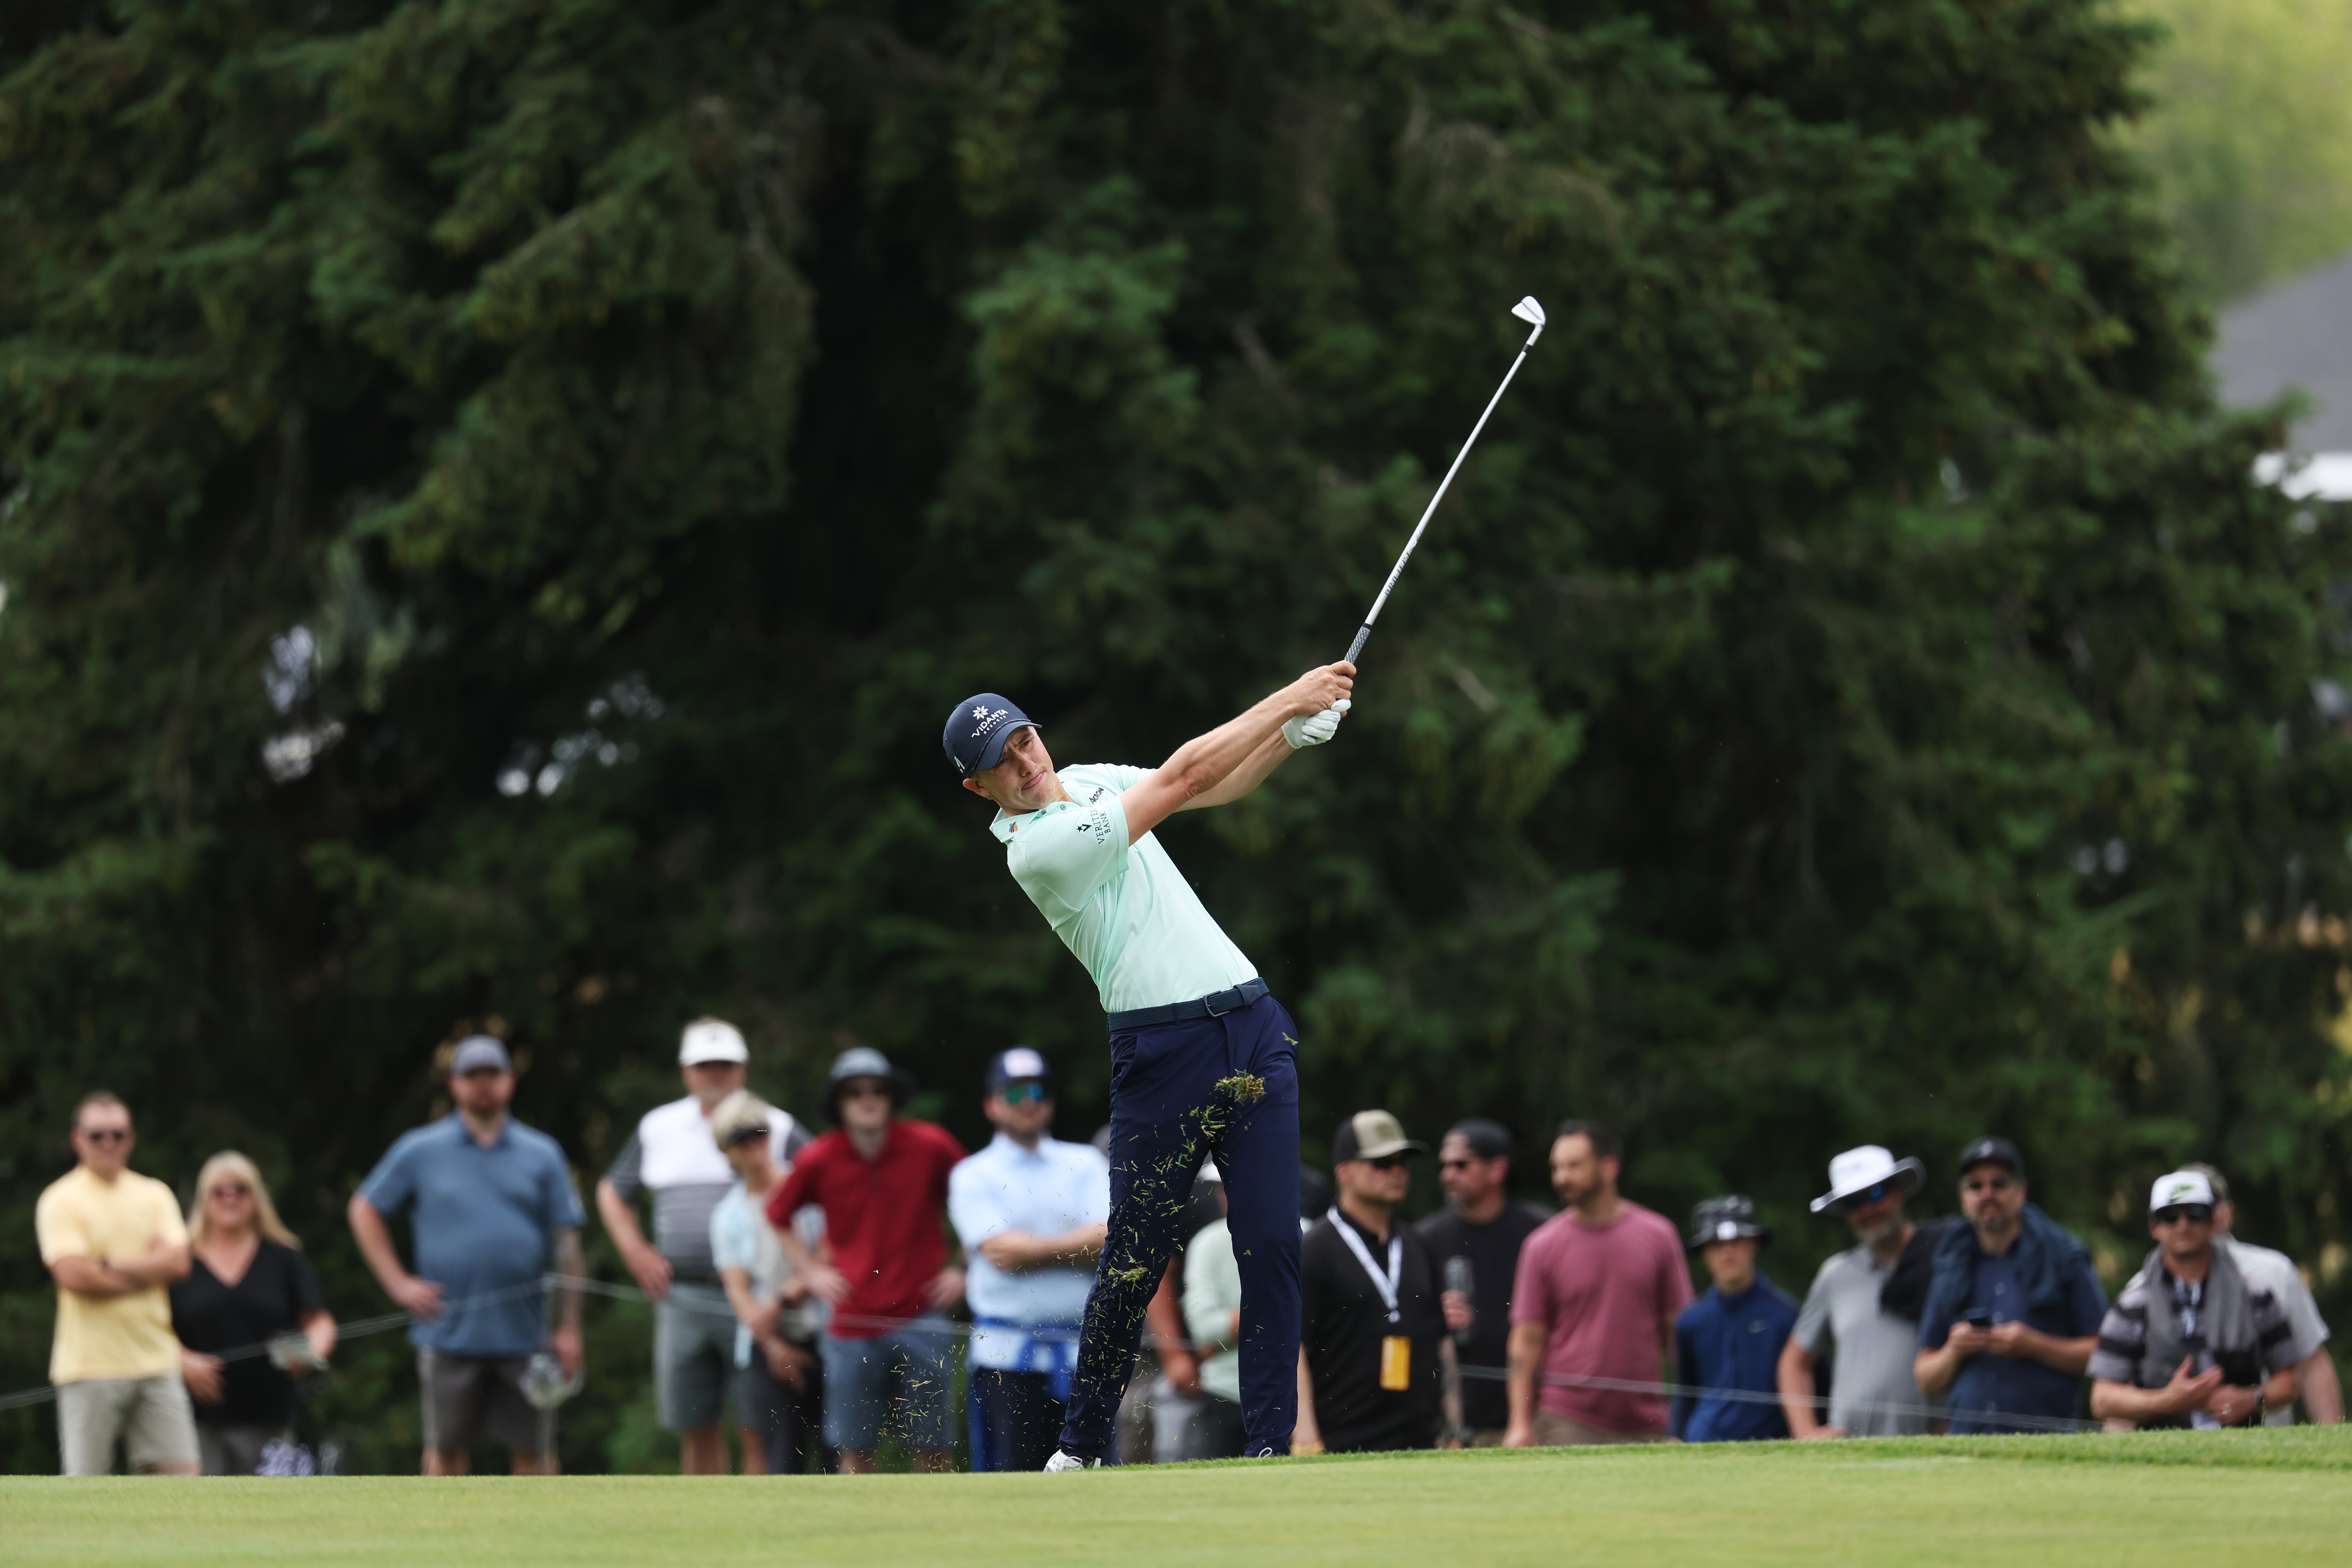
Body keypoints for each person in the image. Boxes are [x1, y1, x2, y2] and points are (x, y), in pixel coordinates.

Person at [943, 667, 1353, 1466]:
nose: (1027, 760)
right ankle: (1082, 1444)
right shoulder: (1039, 850)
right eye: (1004, 758)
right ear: (978, 786)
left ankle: (1273, 1442)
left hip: (1253, 1024)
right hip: (1163, 1049)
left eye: (1024, 737)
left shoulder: (1089, 778)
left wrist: (1284, 742)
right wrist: (1286, 701)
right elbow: (1183, 774)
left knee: (1270, 1242)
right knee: (1135, 1254)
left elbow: (1215, 786)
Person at [349, 1035, 585, 1475]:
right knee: (444, 1452)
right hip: (447, 1332)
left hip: (527, 1333)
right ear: (455, 1085)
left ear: (509, 1082)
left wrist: (569, 1327)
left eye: (492, 1075)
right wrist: (397, 1282)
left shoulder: (542, 1153)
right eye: (472, 1076)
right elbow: (364, 1208)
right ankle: (444, 1543)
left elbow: (568, 1244)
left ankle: (539, 1543)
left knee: (536, 1454)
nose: (483, 1086)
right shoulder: (421, 1149)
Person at [597, 1018, 810, 1475]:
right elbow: (612, 1192)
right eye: (704, 1065)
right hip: (683, 1295)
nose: (714, 1073)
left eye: (725, 1064)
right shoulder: (659, 1126)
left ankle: (757, 1528)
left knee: (759, 1424)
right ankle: (704, 1535)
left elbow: (822, 1188)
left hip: (760, 1297)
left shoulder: (776, 1125)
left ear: (743, 1069)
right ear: (685, 1071)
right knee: (695, 1424)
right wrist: (636, 1252)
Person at [764, 1046, 966, 1474]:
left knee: (934, 1450)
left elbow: (980, 1202)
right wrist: (811, 1271)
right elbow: (778, 1214)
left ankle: (940, 1537)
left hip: (921, 1314)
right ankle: (857, 1539)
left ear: (892, 1096)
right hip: (850, 1322)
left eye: (878, 1089)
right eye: (854, 1091)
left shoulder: (930, 1145)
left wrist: (964, 1269)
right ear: (840, 1102)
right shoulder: (819, 1156)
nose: (867, 1098)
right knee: (855, 1451)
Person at [950, 1047, 1112, 1472]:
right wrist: (1074, 1247)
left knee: (1096, 1488)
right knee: (1010, 1487)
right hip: (1005, 1360)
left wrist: (1031, 1249)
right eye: (1015, 1091)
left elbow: (1108, 1240)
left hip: (1085, 1358)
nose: (1029, 1100)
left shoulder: (1087, 1162)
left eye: (1038, 1090)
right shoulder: (972, 1173)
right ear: (991, 1104)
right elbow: (1000, 1253)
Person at [36, 1091, 199, 1476]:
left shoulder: (154, 1193)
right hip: (89, 1367)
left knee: (184, 1485)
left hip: (158, 1363)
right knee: (86, 1488)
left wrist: (107, 1265)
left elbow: (179, 1263)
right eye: (97, 1135)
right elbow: (74, 1274)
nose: (108, 1143)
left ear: (131, 1138)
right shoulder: (61, 1199)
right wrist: (148, 1269)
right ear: (77, 1139)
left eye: (117, 1133)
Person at [1503, 1120, 1690, 1447]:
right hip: (1568, 1418)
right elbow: (1526, 1340)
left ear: (1609, 1167)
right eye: (1557, 1167)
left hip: (1648, 1420)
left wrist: (1687, 1413)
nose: (1562, 1177)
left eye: (1574, 1166)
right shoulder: (1542, 1246)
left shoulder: (1659, 1235)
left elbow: (1678, 1331)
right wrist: (1519, 1423)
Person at [1914, 1137, 2106, 1434]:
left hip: (2048, 1445)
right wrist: (1954, 1351)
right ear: (1963, 1199)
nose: (1987, 1194)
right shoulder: (1950, 1264)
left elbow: (2103, 1355)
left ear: (2021, 1192)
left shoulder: (2065, 1257)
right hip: (1968, 1447)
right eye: (1975, 1186)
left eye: (1999, 1184)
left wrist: (2035, 1346)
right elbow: (1925, 1378)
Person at [2087, 1170, 2301, 1430]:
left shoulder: (2256, 1296)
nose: (2183, 1225)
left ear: (2213, 1222)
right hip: (2159, 1455)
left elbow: (2290, 1383)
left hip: (2243, 1451)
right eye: (2170, 1216)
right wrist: (2166, 1401)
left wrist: (2252, 1398)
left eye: (2195, 1214)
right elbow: (2102, 1399)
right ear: (2155, 1228)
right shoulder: (2134, 1304)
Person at [1293, 1112, 1452, 1455]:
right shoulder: (1314, 1248)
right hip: (1341, 1443)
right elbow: (1294, 1348)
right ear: (1344, 1172)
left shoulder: (1417, 1243)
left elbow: (1442, 1341)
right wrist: (1305, 1433)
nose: (1396, 1170)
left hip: (1420, 1441)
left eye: (1403, 1161)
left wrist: (1453, 1426)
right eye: (1381, 1162)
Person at [170, 1153, 337, 1475]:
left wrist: (310, 1353)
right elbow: (152, 1328)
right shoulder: (180, 1261)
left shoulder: (284, 1256)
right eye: (219, 1191)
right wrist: (182, 1359)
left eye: (241, 1189)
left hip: (270, 1415)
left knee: (273, 1516)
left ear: (257, 1197)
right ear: (204, 1200)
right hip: (195, 1422)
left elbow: (319, 1320)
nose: (230, 1197)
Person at [1779, 1144, 1947, 1439]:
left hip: (1932, 1446)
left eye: (1875, 1194)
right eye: (1853, 1203)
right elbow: (1794, 1362)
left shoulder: (1943, 1258)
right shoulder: (1836, 1275)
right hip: (1850, 1455)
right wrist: (1806, 1433)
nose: (1867, 1210)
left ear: (1898, 1191)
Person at [709, 1089, 827, 1474]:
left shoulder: (809, 1189)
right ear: (727, 1149)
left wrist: (783, 1298)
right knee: (781, 1461)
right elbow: (738, 1290)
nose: (753, 1144)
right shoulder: (728, 1216)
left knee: (838, 1455)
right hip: (767, 1345)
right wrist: (775, 1347)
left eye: (759, 1132)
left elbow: (831, 1253)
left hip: (826, 1332)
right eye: (740, 1138)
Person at [1415, 1118, 1549, 1445]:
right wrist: (1434, 1313)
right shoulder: (1425, 1238)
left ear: (1497, 1169)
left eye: (1461, 1164)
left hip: (1542, 1415)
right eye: (1445, 1165)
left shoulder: (1541, 1232)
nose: (1448, 1174)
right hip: (1459, 1420)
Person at [2184, 1162, 2342, 1425]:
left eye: (2204, 1207)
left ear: (2227, 1212)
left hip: (2270, 1444)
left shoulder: (2273, 1272)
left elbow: (2311, 1362)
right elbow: (2123, 1380)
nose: (2191, 1219)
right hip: (2175, 1451)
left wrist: (2338, 1447)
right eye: (2177, 1211)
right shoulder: (2144, 1288)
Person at [1671, 1196, 1797, 1442]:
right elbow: (1686, 1391)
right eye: (1716, 1244)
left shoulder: (1787, 1314)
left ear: (1754, 1245)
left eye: (1736, 1241)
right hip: (1701, 1447)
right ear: (1704, 1254)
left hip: (1771, 1447)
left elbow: (1817, 1386)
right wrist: (1674, 1436)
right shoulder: (1689, 1321)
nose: (1727, 1251)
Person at [1175, 1166, 1249, 1461]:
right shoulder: (1208, 1242)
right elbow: (1204, 1327)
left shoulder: (1306, 1234)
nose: (1226, 1194)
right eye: (1221, 1186)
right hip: (1226, 1394)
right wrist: (1277, 1314)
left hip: (1300, 1396)